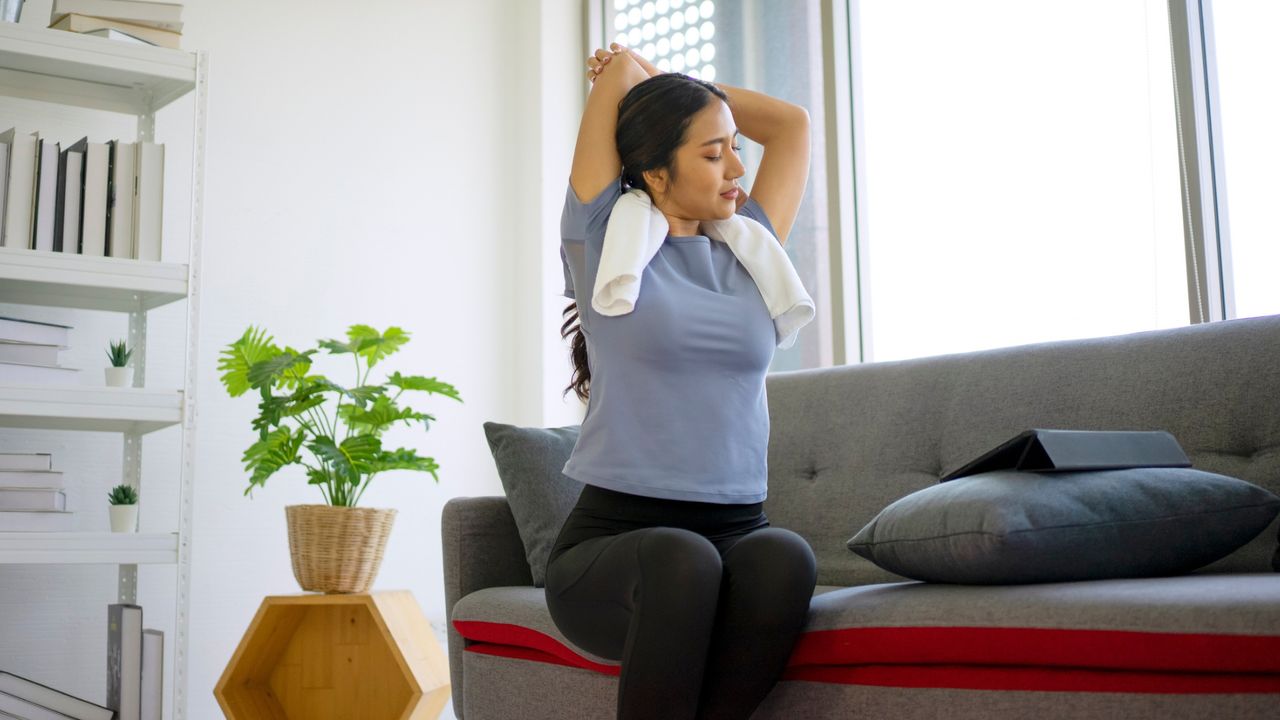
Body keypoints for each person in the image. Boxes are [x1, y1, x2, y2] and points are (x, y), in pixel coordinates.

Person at [545, 42, 818, 720]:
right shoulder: (603, 241)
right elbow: (614, 82)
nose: (736, 168)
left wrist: (680, 86)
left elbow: (792, 126)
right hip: (620, 546)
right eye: (711, 153)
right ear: (656, 174)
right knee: (682, 559)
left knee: (785, 557)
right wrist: (632, 75)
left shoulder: (752, 247)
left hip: (737, 530)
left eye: (733, 147)